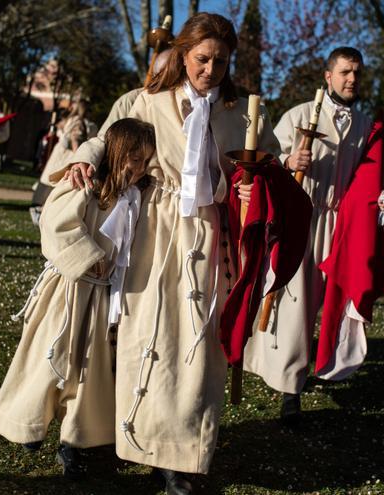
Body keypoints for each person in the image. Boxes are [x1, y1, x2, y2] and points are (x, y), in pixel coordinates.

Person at [67, 13, 280, 493]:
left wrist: (256, 184)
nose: (210, 70)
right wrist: (84, 157)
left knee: (198, 343)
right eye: (202, 59)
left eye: (220, 62)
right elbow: (106, 139)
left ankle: (181, 458)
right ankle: (117, 434)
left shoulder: (244, 114)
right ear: (183, 54)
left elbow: (268, 164)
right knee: (141, 333)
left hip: (209, 235)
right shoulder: (148, 100)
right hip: (151, 229)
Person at [237, 47, 384, 423]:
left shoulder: (364, 126)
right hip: (303, 217)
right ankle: (291, 390)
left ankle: (328, 362)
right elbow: (266, 159)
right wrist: (290, 162)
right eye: (344, 72)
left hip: (340, 225)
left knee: (335, 299)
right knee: (296, 304)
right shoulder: (299, 116)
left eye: (357, 72)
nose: (351, 79)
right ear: (328, 76)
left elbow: (374, 175)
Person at [0, 118, 155, 478]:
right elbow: (56, 222)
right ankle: (28, 422)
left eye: (145, 160)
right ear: (115, 153)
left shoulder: (138, 194)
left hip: (103, 298)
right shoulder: (86, 183)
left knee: (88, 371)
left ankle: (73, 442)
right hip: (68, 290)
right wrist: (89, 258)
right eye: (133, 158)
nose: (138, 167)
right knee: (48, 359)